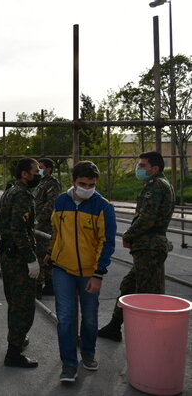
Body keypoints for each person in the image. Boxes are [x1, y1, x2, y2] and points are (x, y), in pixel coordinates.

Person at [45, 161, 116, 382]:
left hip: (89, 271)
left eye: (92, 184)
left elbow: (107, 242)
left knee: (90, 318)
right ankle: (68, 364)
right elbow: (56, 232)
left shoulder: (103, 206)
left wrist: (98, 274)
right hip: (62, 268)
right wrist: (50, 252)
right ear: (72, 182)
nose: (87, 188)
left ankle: (88, 352)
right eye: (82, 184)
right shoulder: (61, 201)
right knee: (65, 317)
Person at [98, 151, 175, 342]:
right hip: (148, 247)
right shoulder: (160, 184)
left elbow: (148, 217)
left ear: (155, 168)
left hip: (150, 247)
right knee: (129, 286)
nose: (138, 169)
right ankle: (115, 326)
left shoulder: (156, 185)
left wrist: (129, 234)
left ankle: (151, 337)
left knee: (148, 294)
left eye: (142, 166)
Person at [0, 158, 41, 368]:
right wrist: (31, 258)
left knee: (14, 302)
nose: (38, 174)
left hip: (9, 254)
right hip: (20, 258)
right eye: (35, 171)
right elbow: (18, 229)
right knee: (23, 306)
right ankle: (13, 353)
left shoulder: (10, 191)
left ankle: (18, 340)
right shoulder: (22, 194)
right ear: (24, 174)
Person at [34, 158, 61, 298]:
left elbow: (51, 204)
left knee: (42, 254)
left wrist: (38, 220)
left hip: (44, 225)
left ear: (49, 169)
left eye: (41, 167)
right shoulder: (40, 183)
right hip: (38, 224)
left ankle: (41, 286)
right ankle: (47, 284)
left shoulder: (52, 184)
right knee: (41, 254)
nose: (39, 169)